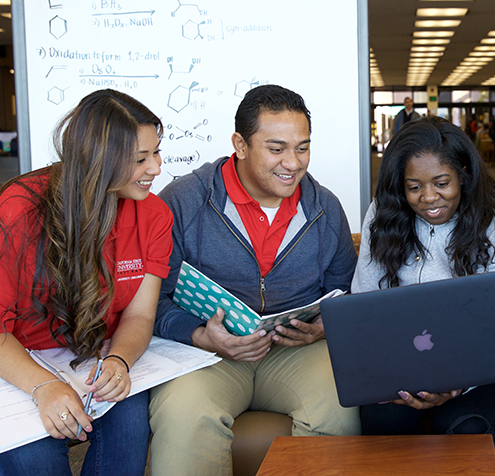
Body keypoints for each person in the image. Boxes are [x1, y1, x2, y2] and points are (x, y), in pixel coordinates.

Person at [0, 89, 173, 475]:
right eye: (140, 159)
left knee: (128, 432)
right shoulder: (15, 211)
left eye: (156, 152)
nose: (156, 167)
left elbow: (139, 315)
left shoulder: (154, 215)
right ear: (98, 159)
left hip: (86, 351)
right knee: (37, 459)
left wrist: (119, 360)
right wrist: (43, 387)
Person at [149, 84, 360, 475]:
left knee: (338, 410)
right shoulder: (182, 201)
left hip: (294, 352)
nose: (293, 163)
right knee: (184, 415)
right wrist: (198, 334)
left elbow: (347, 290)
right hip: (207, 354)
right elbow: (151, 300)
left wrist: (322, 327)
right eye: (276, 149)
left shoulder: (325, 208)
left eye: (303, 148)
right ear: (240, 145)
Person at [351, 116, 495, 440]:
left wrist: (456, 385)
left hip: (473, 366)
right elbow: (364, 296)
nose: (429, 197)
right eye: (414, 187)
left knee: (468, 428)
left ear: (463, 176)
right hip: (397, 363)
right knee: (384, 422)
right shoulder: (383, 214)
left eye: (442, 183)